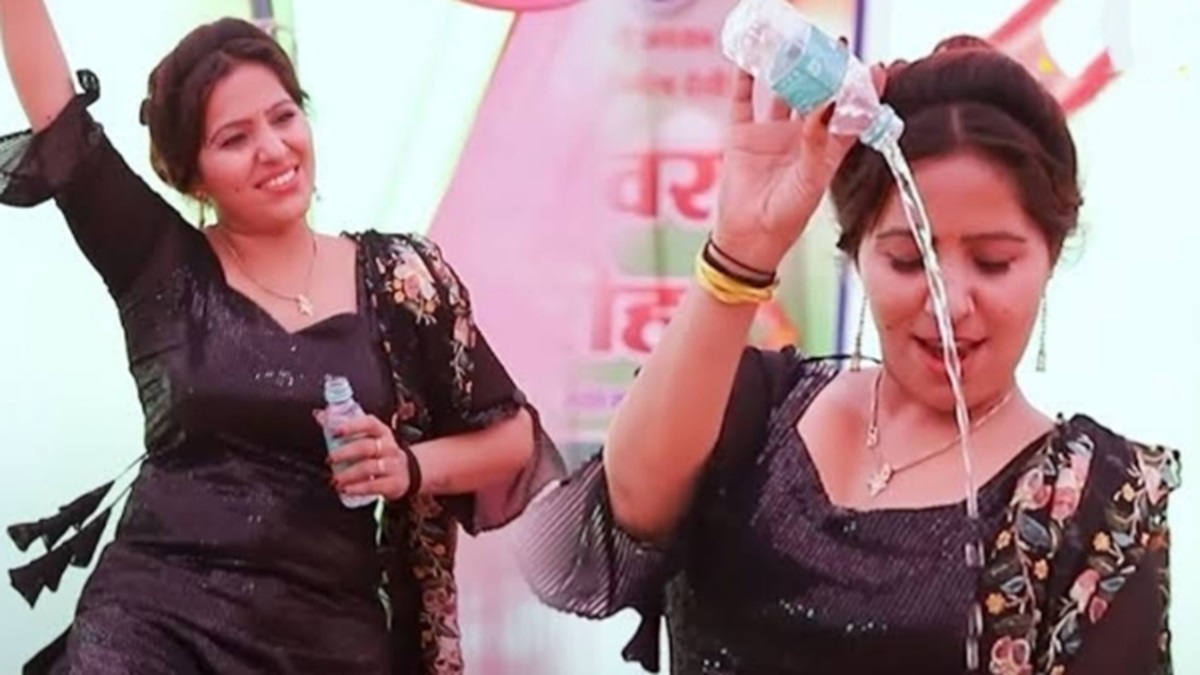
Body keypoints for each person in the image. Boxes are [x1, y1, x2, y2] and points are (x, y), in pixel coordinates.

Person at [516, 36, 1181, 675]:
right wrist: (743, 249)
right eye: (907, 260)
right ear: (857, 253)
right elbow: (572, 561)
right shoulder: (753, 409)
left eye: (993, 262)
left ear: (1050, 257)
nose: (949, 303)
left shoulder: (1092, 506)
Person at [0, 6, 563, 674]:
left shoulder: (400, 279)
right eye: (234, 138)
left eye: (284, 116)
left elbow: (513, 440)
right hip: (153, 627)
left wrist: (408, 467)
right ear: (192, 173)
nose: (272, 148)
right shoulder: (157, 263)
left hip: (329, 637)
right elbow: (58, 116)